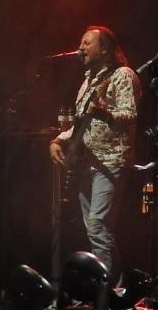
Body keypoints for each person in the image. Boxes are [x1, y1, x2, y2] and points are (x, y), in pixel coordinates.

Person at [49, 26, 140, 284]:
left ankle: (106, 290)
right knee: (96, 229)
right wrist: (57, 139)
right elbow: (80, 125)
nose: (81, 48)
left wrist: (106, 113)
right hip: (86, 163)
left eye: (87, 43)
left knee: (98, 226)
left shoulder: (122, 75)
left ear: (105, 49)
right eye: (80, 43)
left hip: (110, 161)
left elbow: (130, 114)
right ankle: (118, 288)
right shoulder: (88, 80)